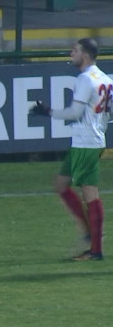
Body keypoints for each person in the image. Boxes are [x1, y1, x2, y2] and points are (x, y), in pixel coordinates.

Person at [30, 38, 112, 261]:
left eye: (74, 50)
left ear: (85, 55)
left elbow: (75, 113)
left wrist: (48, 112)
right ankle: (89, 234)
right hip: (89, 139)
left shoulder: (85, 79)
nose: (70, 53)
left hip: (85, 141)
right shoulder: (104, 78)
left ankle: (95, 249)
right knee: (61, 184)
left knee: (90, 193)